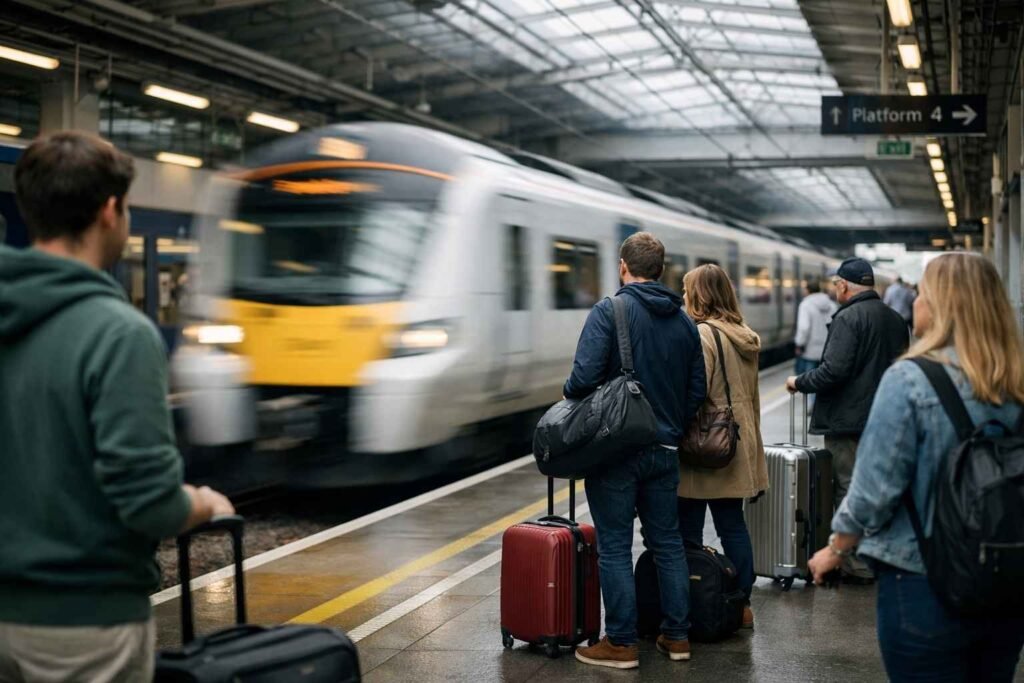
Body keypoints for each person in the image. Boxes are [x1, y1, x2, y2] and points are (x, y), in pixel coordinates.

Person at [0, 131, 234, 682]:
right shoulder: (117, 333)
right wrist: (201, 502)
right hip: (85, 625)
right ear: (110, 211)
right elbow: (149, 503)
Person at [808, 253, 1024, 682]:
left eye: (923, 293)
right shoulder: (1015, 381)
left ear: (940, 306)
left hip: (923, 579)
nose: (916, 302)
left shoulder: (909, 380)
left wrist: (835, 549)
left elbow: (873, 491)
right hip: (1007, 579)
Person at [566, 232, 706, 669]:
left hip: (618, 451)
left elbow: (582, 378)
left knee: (613, 546)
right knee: (667, 543)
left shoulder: (610, 310)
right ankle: (677, 637)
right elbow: (696, 387)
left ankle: (622, 642)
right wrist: (670, 425)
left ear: (624, 267)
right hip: (665, 449)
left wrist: (573, 393)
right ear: (661, 271)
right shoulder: (684, 320)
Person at [785, 257, 908, 581]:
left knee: (848, 487)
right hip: (884, 418)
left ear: (842, 286)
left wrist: (800, 382)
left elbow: (834, 370)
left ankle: (853, 562)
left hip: (848, 421)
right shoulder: (895, 319)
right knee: (880, 488)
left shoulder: (848, 318)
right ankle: (877, 555)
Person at [676, 264, 766, 630]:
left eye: (686, 291)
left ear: (699, 296)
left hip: (706, 444)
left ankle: (694, 602)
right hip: (737, 442)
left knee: (688, 530)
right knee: (733, 526)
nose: (682, 297)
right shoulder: (744, 334)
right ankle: (740, 603)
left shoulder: (703, 335)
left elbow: (696, 391)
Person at [794, 279, 837, 376]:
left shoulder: (805, 305)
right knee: (824, 380)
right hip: (828, 350)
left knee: (810, 381)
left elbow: (804, 328)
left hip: (810, 351)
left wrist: (799, 344)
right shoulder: (832, 305)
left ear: (808, 290)